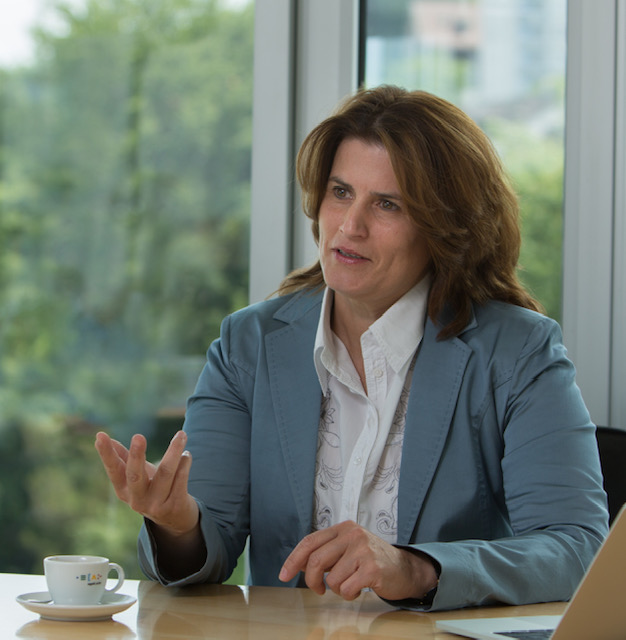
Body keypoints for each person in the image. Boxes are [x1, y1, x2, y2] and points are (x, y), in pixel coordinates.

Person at [95, 85, 609, 611]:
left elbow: (577, 549)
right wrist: (178, 524)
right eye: (341, 192)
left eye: (387, 204)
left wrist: (414, 568)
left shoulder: (518, 351)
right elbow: (208, 549)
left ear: (444, 229)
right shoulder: (248, 346)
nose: (350, 225)